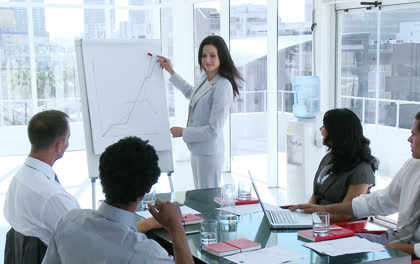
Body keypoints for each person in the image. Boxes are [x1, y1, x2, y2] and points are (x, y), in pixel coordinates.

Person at [290, 109, 420, 262]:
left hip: (416, 255)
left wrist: (401, 248)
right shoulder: (414, 166)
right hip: (393, 241)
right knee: (323, 246)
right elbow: (381, 201)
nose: (409, 139)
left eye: (414, 134)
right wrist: (322, 210)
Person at [42, 136, 193, 264]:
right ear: (148, 188)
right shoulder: (148, 255)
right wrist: (175, 225)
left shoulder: (69, 221)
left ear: (102, 174)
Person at [157, 35, 242, 189]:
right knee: (201, 194)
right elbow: (192, 93)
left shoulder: (222, 86)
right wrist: (170, 71)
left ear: (221, 57)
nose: (207, 60)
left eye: (212, 55)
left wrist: (183, 132)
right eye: (203, 55)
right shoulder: (207, 78)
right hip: (198, 149)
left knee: (208, 198)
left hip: (209, 153)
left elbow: (213, 130)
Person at [4, 110, 79, 256]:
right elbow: (85, 241)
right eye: (67, 138)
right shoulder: (53, 197)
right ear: (59, 144)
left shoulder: (19, 178)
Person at [292, 108, 378, 222]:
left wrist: (311, 220)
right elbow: (316, 195)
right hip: (317, 221)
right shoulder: (330, 158)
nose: (320, 129)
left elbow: (345, 214)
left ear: (336, 132)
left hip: (340, 227)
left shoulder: (362, 169)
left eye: (324, 126)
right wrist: (303, 214)